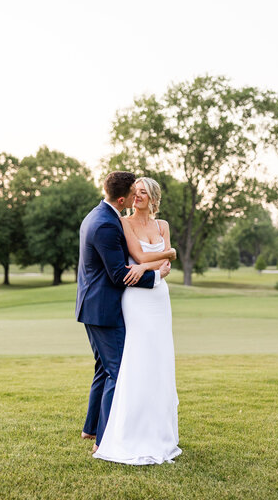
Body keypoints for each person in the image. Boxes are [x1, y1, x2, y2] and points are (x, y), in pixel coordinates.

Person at [76, 172, 174, 452]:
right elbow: (121, 273)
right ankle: (105, 442)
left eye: (142, 192)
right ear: (124, 198)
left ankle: (90, 429)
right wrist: (155, 274)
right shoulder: (110, 223)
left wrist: (159, 265)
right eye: (134, 191)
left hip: (97, 305)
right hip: (107, 306)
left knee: (103, 368)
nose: (137, 196)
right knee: (117, 371)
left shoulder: (98, 216)